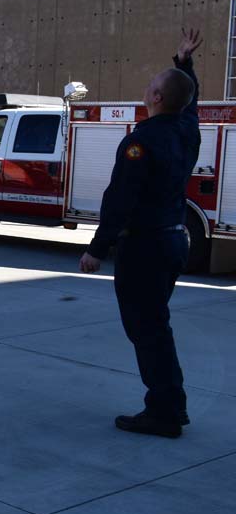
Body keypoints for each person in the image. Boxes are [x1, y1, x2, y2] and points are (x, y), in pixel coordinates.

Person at [80, 28, 203, 439]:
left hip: (146, 247)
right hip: (172, 242)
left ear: (155, 99)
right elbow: (189, 100)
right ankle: (171, 404)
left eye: (153, 84)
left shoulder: (141, 142)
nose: (148, 86)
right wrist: (183, 63)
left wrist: (97, 248)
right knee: (156, 324)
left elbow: (121, 199)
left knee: (146, 329)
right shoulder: (187, 131)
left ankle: (165, 411)